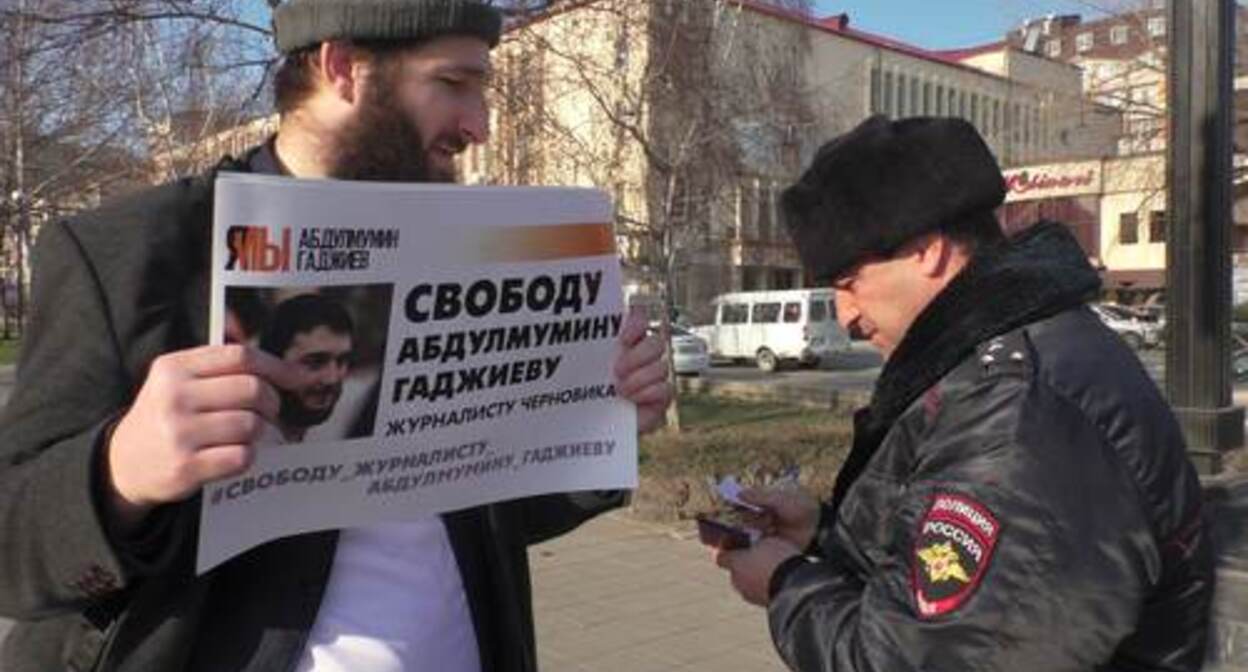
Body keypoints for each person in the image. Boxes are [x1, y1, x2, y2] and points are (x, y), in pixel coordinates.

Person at [0, 1, 673, 671]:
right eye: (452, 83)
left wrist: (594, 426)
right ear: (344, 67)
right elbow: (13, 543)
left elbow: (493, 520)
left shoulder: (467, 248)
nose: (479, 125)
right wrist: (118, 471)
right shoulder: (131, 254)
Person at [713, 115, 1212, 671]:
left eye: (850, 284)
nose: (846, 316)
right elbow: (941, 576)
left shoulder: (1017, 419)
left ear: (927, 250)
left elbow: (922, 659)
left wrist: (786, 586)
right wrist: (821, 533)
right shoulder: (998, 362)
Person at [256, 293, 356, 443]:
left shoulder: (342, 427)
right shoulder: (248, 438)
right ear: (272, 361)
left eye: (342, 361)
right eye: (315, 362)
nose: (332, 379)